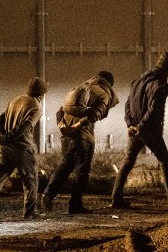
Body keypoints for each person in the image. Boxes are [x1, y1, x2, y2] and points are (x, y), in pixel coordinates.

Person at [111, 52, 168, 208]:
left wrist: (130, 125)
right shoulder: (161, 85)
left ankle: (116, 199)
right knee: (164, 161)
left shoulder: (138, 81)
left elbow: (128, 105)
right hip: (148, 130)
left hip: (134, 129)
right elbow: (154, 111)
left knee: (127, 162)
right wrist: (140, 127)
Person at [41, 71, 119, 214]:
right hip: (83, 138)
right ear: (109, 84)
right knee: (82, 172)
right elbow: (94, 116)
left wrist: (63, 127)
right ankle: (75, 205)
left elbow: (60, 111)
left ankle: (48, 194)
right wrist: (76, 128)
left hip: (67, 136)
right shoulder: (104, 94)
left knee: (65, 167)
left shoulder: (81, 88)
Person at [0, 77, 48, 222]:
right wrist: (5, 138)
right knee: (30, 180)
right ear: (41, 94)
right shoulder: (36, 107)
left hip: (5, 148)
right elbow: (24, 127)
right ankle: (29, 213)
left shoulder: (15, 100)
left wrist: (2, 136)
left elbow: (0, 120)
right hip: (23, 149)